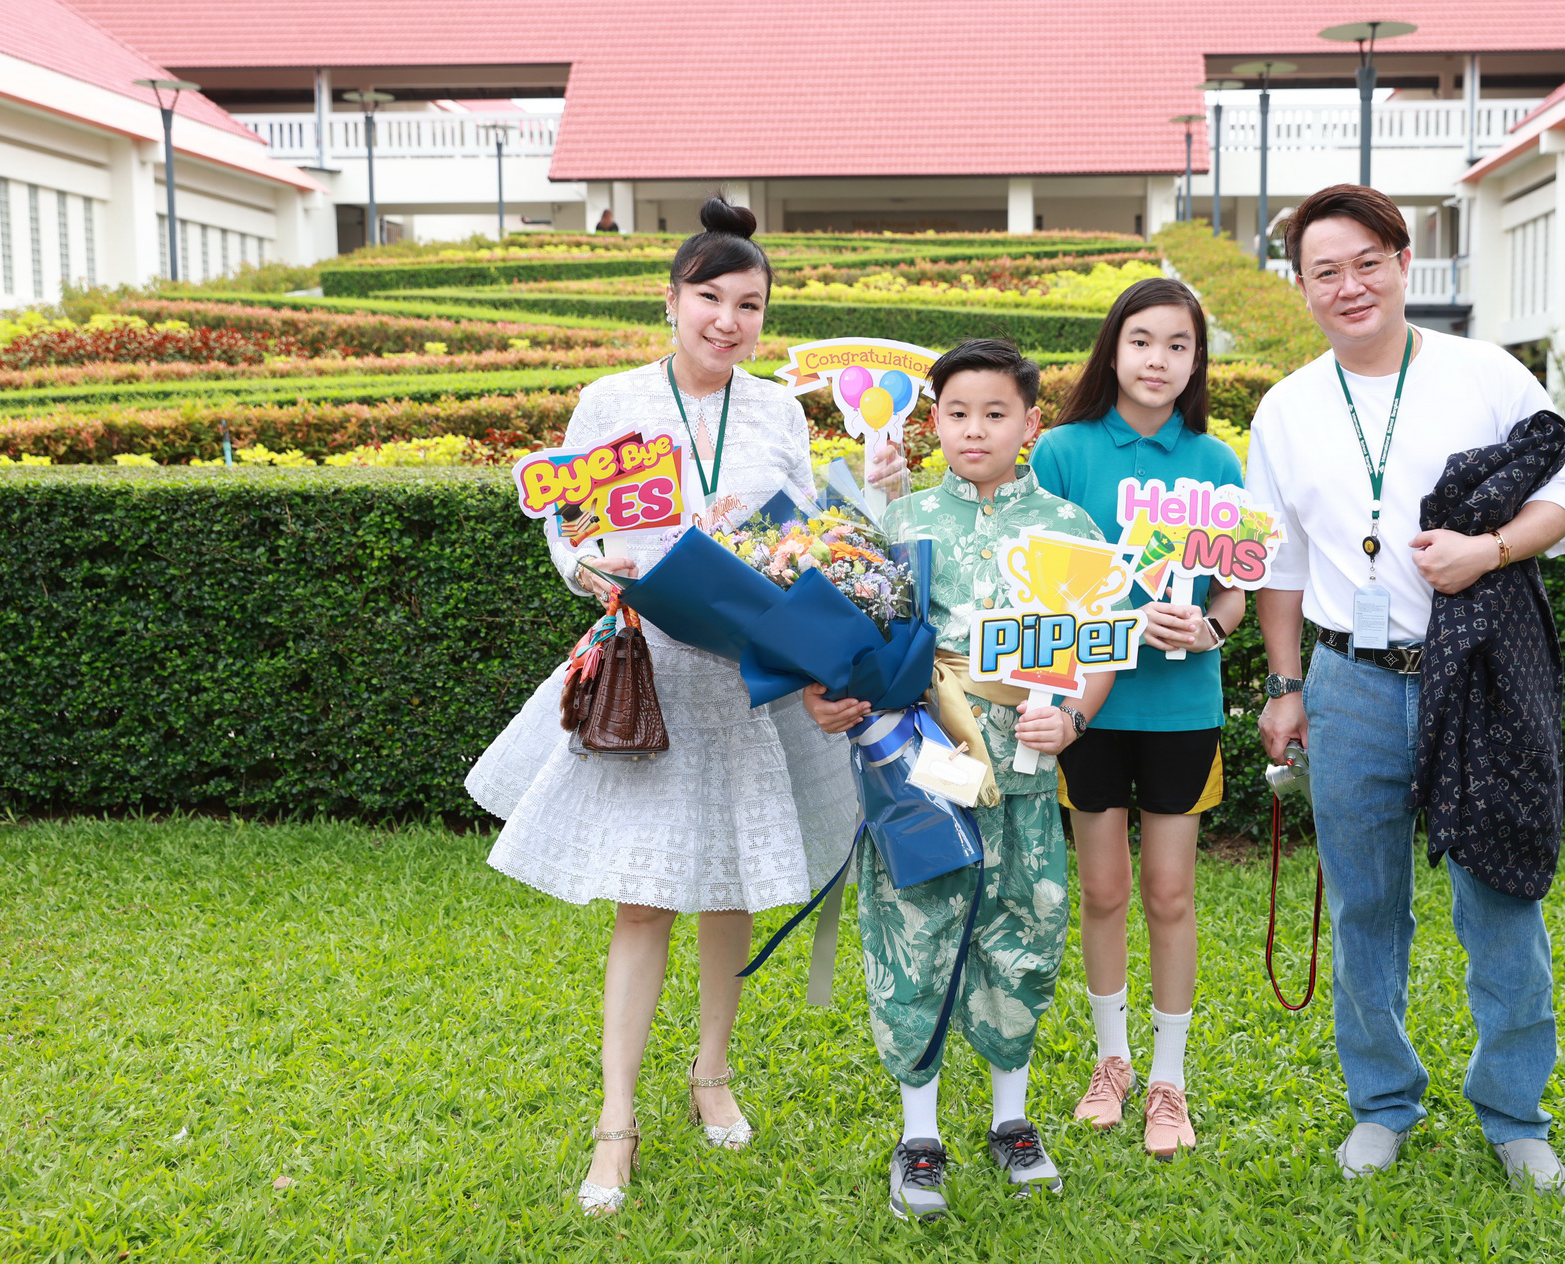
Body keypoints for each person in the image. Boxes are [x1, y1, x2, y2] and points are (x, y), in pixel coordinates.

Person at [466, 196, 858, 1216]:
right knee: (645, 899)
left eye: (751, 304)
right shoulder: (612, 400)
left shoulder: (775, 408)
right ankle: (615, 1119)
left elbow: (805, 531)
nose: (729, 320)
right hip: (649, 667)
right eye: (711, 298)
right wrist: (590, 569)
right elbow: (569, 522)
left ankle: (712, 1071)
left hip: (741, 674)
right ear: (673, 297)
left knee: (727, 882)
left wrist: (784, 556)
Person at [1244, 184, 1565, 1195]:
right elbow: (1282, 562)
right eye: (1324, 270)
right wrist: (1284, 682)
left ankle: (1516, 1111)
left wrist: (1488, 549)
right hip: (1349, 680)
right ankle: (1383, 1102)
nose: (1349, 286)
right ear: (1302, 286)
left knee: (1500, 896)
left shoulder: (1485, 372)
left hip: (1476, 675)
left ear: (1403, 261)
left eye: (1366, 261)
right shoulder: (1287, 406)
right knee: (1364, 908)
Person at [804, 339, 1114, 1222]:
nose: (974, 430)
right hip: (920, 783)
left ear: (1031, 423)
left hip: (1024, 777)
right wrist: (843, 700)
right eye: (955, 413)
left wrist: (1075, 717)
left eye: (995, 413)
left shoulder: (1068, 530)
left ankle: (1013, 1122)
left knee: (1024, 935)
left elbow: (1101, 646)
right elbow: (856, 641)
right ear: (930, 420)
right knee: (915, 943)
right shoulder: (898, 527)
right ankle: (920, 1137)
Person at [1029, 277, 1241, 1159]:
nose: (1159, 360)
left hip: (1182, 710)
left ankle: (1169, 1082)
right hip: (1087, 708)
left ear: (1197, 361)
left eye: (1179, 346)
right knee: (1104, 892)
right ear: (1113, 349)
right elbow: (1033, 584)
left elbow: (1234, 592)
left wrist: (1206, 628)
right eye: (1143, 341)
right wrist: (1097, 634)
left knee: (1170, 893)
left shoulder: (1217, 462)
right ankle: (1110, 1066)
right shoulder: (1064, 454)